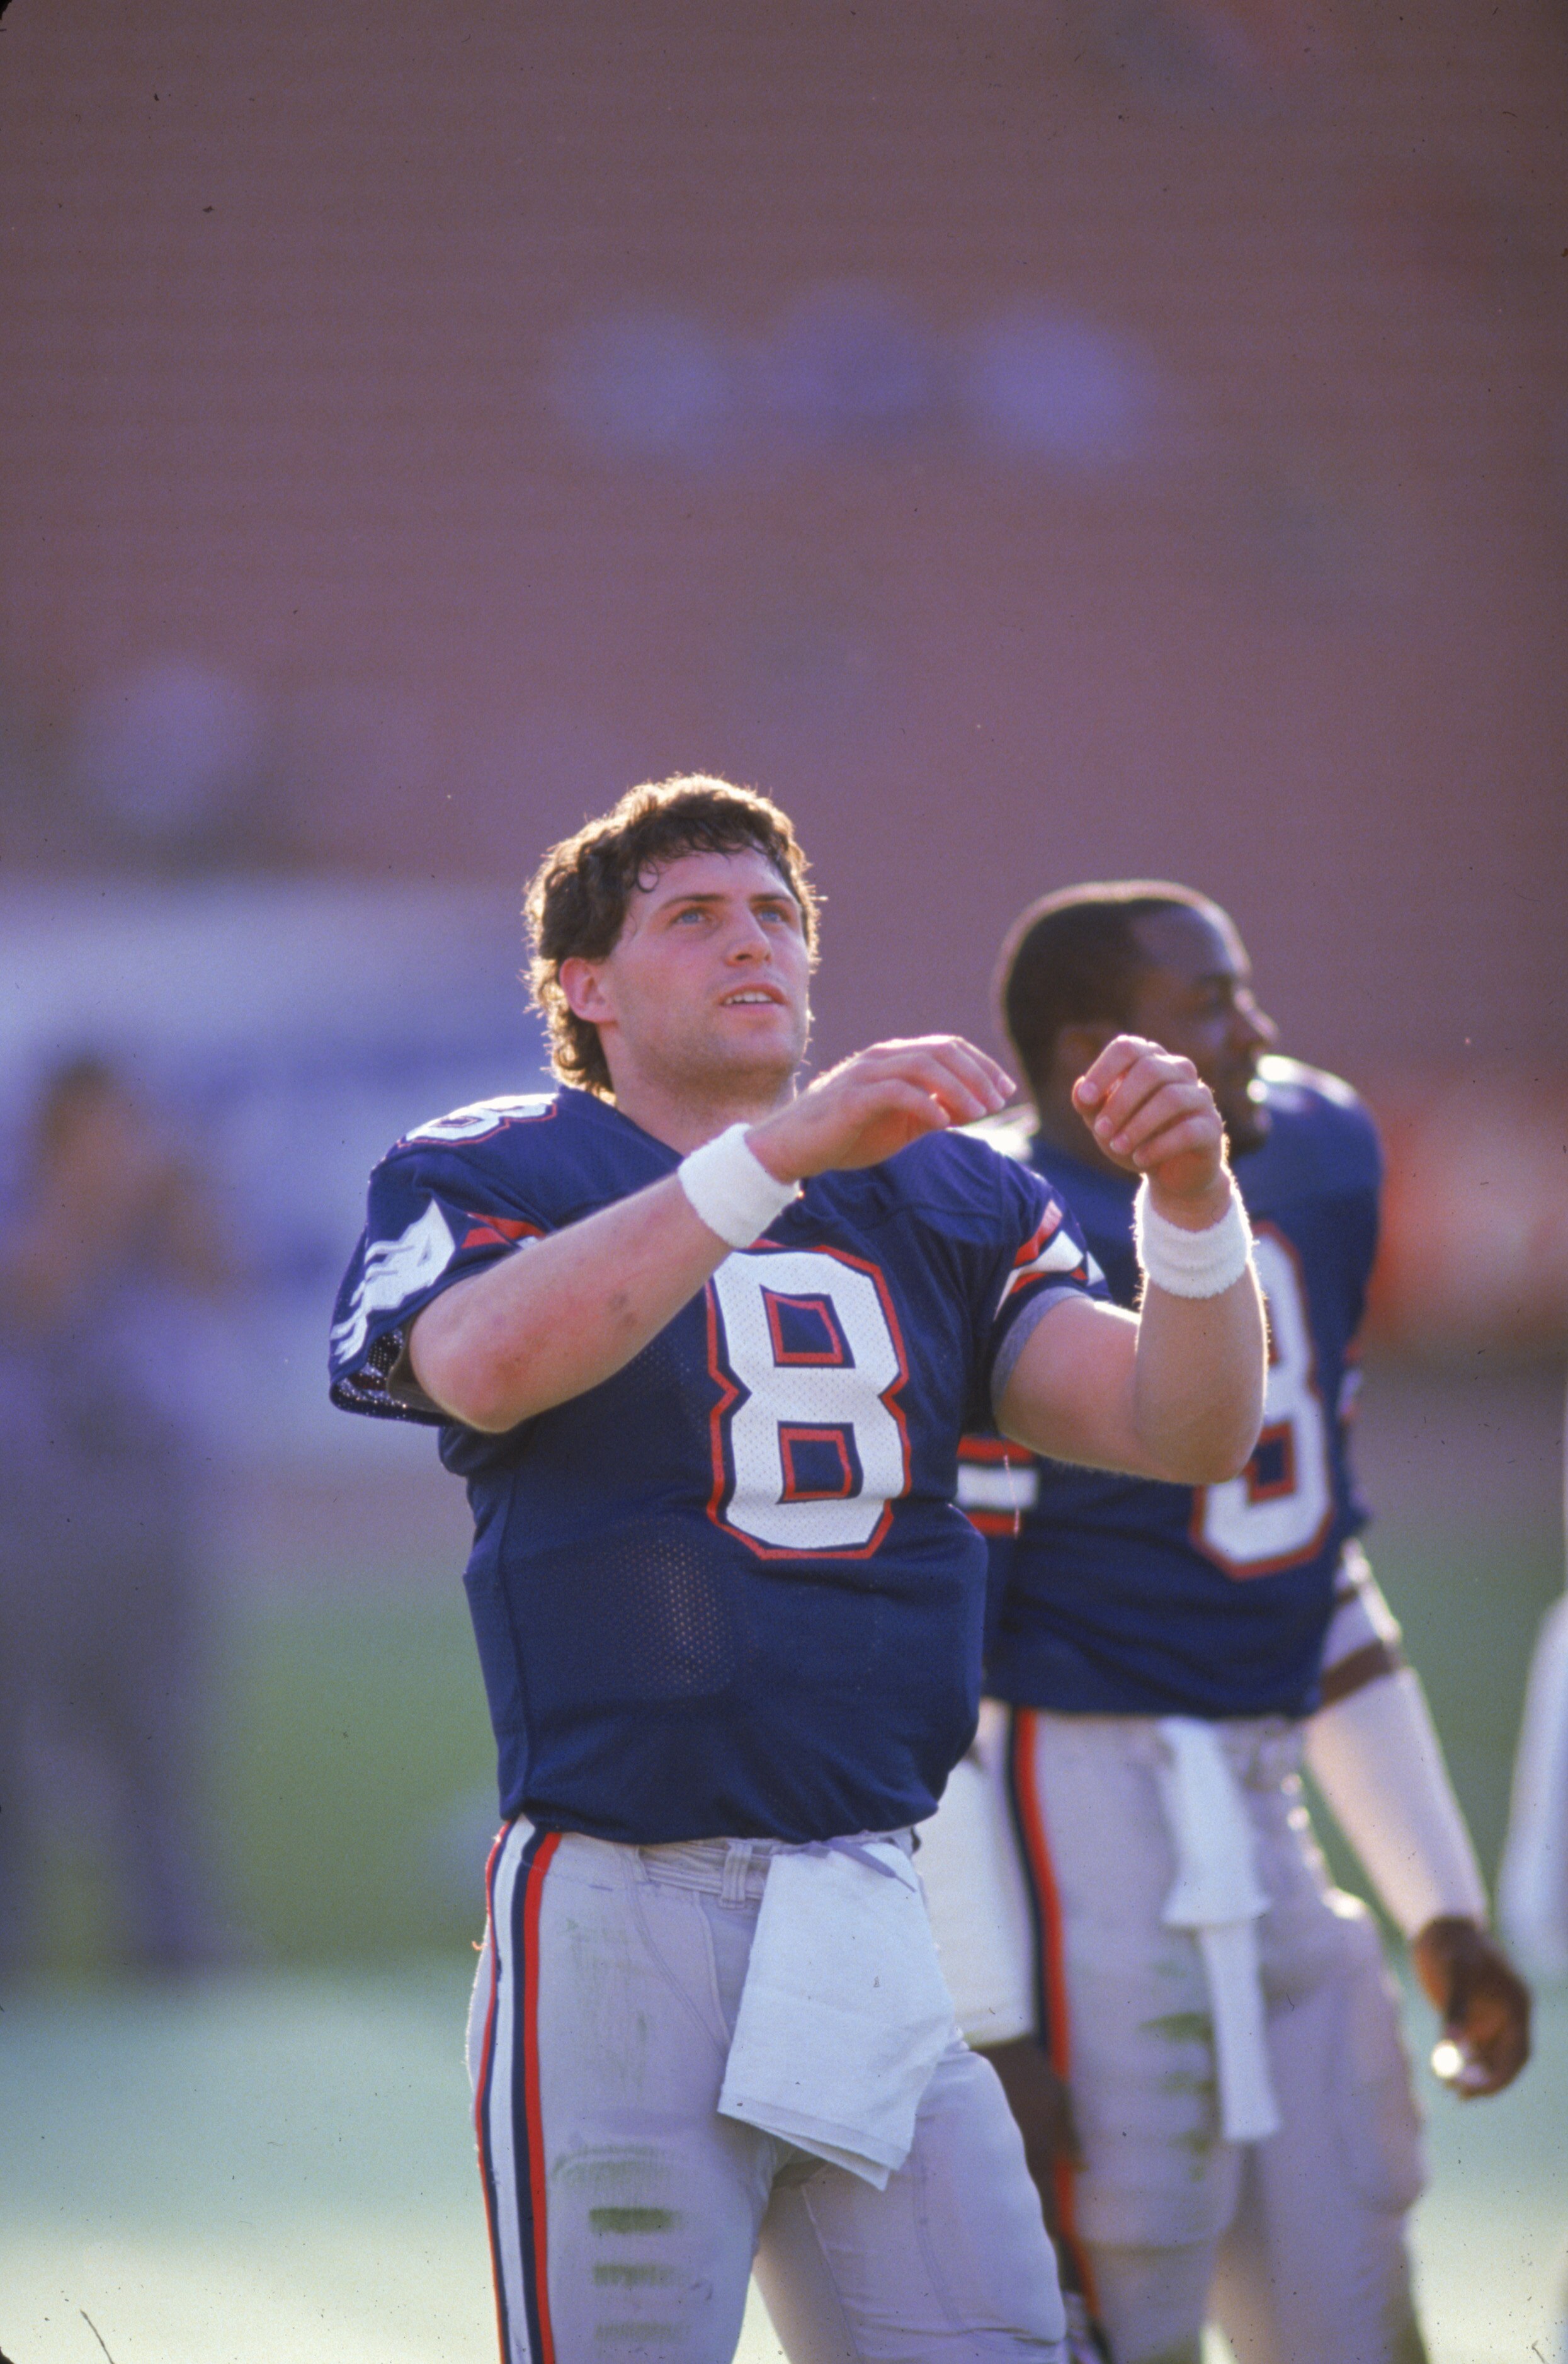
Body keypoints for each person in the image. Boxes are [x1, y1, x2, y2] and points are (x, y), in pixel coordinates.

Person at [328, 780, 1268, 2364]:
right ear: (586, 988)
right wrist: (771, 1154)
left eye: (776, 912)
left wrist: (1192, 1206)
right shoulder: (503, 1161)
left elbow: (1182, 1422)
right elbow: (482, 1361)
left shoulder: (946, 1190)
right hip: (622, 1899)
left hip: (865, 1901)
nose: (752, 939)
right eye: (693, 914)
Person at [916, 881, 1532, 2364]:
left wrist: (1437, 1901)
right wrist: (991, 2010)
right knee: (1119, 2284)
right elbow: (925, 1666)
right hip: (1073, 1816)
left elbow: (1312, 1578)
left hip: (1268, 1824)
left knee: (1355, 2265)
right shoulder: (988, 1229)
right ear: (1092, 1054)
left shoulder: (1310, 1152)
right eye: (1207, 1007)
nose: (1254, 1033)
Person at [0, 1056, 232, 1977]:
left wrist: (173, 1202)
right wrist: (91, 1203)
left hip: (155, 1524)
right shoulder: (35, 1220)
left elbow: (222, 1282)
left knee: (161, 1746)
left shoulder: (166, 1222)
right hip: (34, 1531)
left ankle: (171, 1942)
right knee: (14, 1754)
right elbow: (37, 1287)